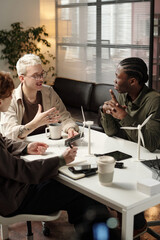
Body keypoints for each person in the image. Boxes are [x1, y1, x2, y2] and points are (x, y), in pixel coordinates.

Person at [0, 71, 121, 240]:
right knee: (81, 193)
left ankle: (90, 231)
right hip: (14, 198)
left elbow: (6, 142)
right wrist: (60, 160)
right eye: (9, 95)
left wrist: (27, 148)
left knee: (75, 189)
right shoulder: (14, 104)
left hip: (16, 188)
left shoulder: (48, 92)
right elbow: (20, 169)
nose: (12, 97)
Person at [0, 54, 79, 141]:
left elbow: (65, 117)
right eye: (35, 76)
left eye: (42, 74)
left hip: (48, 144)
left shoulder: (49, 92)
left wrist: (70, 129)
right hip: (24, 148)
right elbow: (10, 133)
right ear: (22, 78)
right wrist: (36, 123)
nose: (41, 79)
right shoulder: (10, 99)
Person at [101, 57, 160, 152]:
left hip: (150, 156)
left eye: (118, 77)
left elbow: (152, 144)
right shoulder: (123, 95)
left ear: (132, 81)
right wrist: (106, 113)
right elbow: (111, 132)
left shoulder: (155, 101)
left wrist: (124, 116)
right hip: (129, 150)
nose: (114, 81)